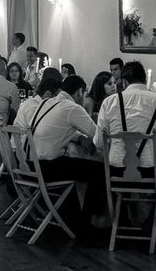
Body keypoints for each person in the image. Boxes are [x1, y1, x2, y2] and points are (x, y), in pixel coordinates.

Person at [94, 61, 156, 214]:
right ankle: (152, 220)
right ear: (145, 80)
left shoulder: (109, 102)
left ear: (124, 81)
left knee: (99, 173)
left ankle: (117, 220)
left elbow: (99, 143)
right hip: (152, 171)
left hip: (117, 171)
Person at [26, 76, 106, 228]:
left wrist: (78, 138)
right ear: (80, 92)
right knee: (98, 170)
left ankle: (70, 212)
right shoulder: (73, 108)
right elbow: (99, 139)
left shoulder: (47, 102)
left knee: (78, 164)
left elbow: (54, 127)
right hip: (47, 167)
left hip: (28, 163)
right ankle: (88, 222)